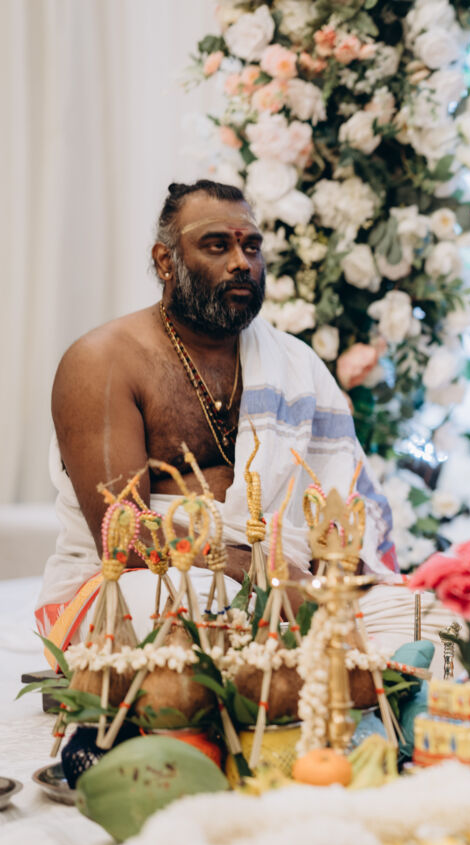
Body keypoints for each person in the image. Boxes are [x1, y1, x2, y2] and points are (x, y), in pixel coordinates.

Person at [37, 180, 416, 656]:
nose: (242, 262)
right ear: (165, 261)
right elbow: (124, 533)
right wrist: (265, 571)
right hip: (146, 576)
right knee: (193, 614)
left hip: (290, 576)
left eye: (251, 246)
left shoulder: (293, 362)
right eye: (217, 246)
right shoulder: (103, 361)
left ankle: (313, 660)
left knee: (430, 622)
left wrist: (330, 575)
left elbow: (343, 499)